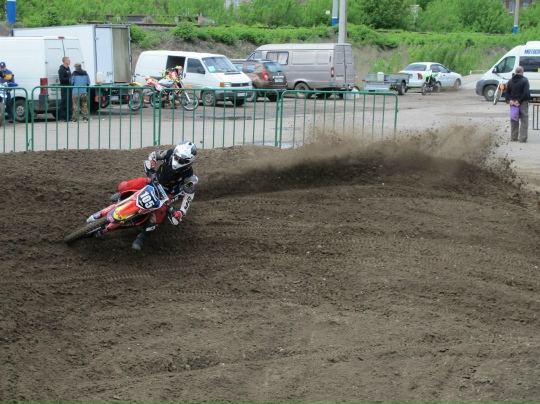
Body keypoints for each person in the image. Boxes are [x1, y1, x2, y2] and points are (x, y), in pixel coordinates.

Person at [89, 141, 199, 251]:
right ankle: (123, 195)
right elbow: (154, 154)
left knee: (159, 215)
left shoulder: (190, 178)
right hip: (154, 180)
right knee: (124, 185)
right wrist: (152, 167)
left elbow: (189, 195)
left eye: (181, 160)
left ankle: (142, 237)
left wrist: (181, 211)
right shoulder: (170, 153)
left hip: (166, 194)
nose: (177, 160)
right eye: (177, 156)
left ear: (189, 161)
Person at [505, 65, 530, 143]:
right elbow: (525, 92)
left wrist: (510, 100)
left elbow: (507, 93)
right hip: (522, 102)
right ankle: (523, 138)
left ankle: (514, 137)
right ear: (522, 72)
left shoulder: (510, 81)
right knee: (524, 120)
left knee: (514, 119)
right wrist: (519, 101)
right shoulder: (525, 80)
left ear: (515, 72)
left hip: (513, 103)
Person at [58, 56, 72, 122]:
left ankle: (69, 117)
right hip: (64, 88)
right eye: (68, 60)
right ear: (65, 61)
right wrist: (68, 79)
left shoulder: (68, 68)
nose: (70, 61)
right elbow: (61, 79)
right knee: (64, 102)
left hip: (69, 87)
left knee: (70, 102)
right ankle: (62, 117)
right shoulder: (61, 69)